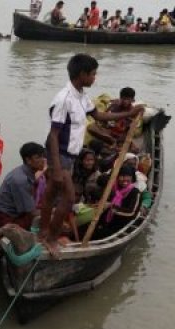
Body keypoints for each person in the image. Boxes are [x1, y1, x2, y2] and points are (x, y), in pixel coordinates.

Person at [41, 54, 143, 254]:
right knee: (69, 199)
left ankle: (43, 232)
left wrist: (129, 114)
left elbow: (99, 116)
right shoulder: (64, 99)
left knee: (51, 194)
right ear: (82, 74)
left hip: (69, 155)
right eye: (93, 74)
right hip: (60, 155)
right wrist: (56, 168)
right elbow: (53, 135)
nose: (95, 78)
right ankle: (51, 239)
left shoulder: (81, 96)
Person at [0, 142, 45, 230]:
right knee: (44, 220)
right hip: (5, 219)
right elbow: (30, 212)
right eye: (38, 157)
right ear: (28, 160)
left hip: (7, 213)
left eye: (42, 156)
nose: (42, 160)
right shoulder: (21, 180)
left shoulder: (24, 172)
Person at [94, 165, 141, 239]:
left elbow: (131, 212)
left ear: (132, 178)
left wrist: (111, 206)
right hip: (107, 220)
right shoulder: (114, 187)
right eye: (122, 177)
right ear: (117, 177)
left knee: (99, 234)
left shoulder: (135, 192)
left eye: (128, 178)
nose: (125, 181)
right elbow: (100, 180)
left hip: (121, 224)